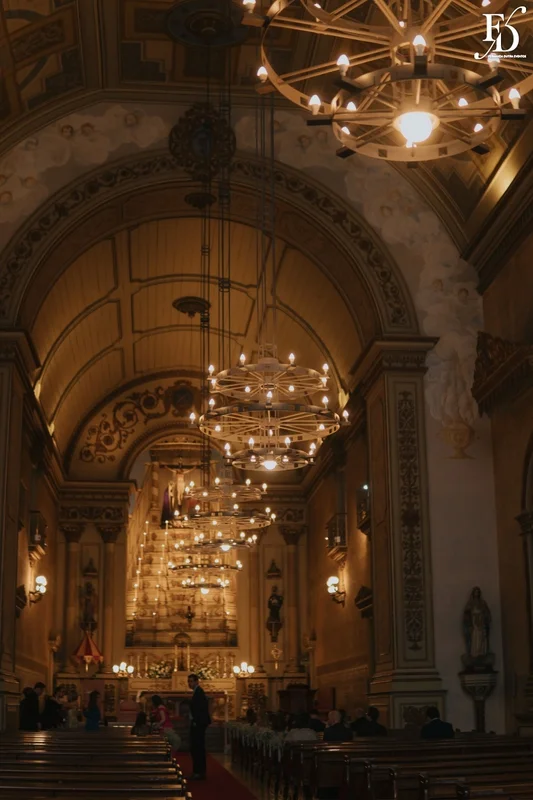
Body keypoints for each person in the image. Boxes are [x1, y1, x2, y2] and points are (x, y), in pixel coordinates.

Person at [188, 673, 211, 780]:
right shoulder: (197, 692)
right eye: (188, 681)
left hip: (198, 724)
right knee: (197, 747)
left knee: (197, 747)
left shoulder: (199, 692)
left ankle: (198, 771)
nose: (189, 683)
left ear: (197, 682)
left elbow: (199, 709)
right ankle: (198, 771)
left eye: (191, 681)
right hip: (198, 723)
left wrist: (195, 721)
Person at [152, 695, 181, 762]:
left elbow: (163, 719)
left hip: (165, 728)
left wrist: (157, 725)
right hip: (166, 728)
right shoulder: (161, 707)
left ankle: (169, 756)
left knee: (175, 742)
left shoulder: (160, 708)